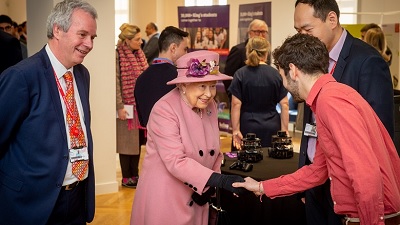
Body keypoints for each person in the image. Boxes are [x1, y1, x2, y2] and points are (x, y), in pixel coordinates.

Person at [233, 33, 400, 225]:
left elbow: (366, 176)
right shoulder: (329, 96)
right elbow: (318, 171)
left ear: (293, 71)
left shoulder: (330, 101)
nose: (284, 85)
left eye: (282, 77)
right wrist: (262, 187)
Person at [293, 0, 395, 224]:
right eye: (297, 31)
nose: (302, 37)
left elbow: (381, 135)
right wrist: (305, 181)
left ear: (332, 20)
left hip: (350, 191)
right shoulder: (311, 60)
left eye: (307, 30)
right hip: (315, 181)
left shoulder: (367, 62)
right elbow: (312, 122)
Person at [0, 0, 98, 224]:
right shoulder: (21, 77)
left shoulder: (82, 75)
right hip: (31, 205)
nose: (89, 44)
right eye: (82, 34)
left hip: (76, 199)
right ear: (57, 29)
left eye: (92, 37)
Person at [131, 50, 246, 225]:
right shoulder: (164, 109)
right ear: (183, 85)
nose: (209, 93)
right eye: (202, 86)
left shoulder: (211, 107)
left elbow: (214, 152)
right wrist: (218, 180)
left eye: (213, 85)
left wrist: (211, 189)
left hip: (199, 193)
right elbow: (175, 161)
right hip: (167, 198)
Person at [228, 36, 289, 148]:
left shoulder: (240, 74)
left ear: (248, 51)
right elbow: (284, 104)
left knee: (245, 161)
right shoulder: (276, 74)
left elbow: (236, 104)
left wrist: (236, 130)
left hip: (247, 127)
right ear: (266, 53)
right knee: (269, 163)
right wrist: (285, 130)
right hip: (272, 127)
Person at [135, 26, 189, 127]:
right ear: (173, 48)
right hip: (176, 139)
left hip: (151, 139)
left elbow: (142, 121)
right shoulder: (179, 78)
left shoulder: (140, 79)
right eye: (185, 49)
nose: (186, 54)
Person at [116, 23, 149, 188]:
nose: (141, 42)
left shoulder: (140, 55)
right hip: (126, 107)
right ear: (127, 40)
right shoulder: (117, 55)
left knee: (136, 143)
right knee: (125, 143)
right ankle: (126, 177)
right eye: (137, 39)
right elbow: (116, 82)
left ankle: (135, 175)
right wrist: (119, 105)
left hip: (138, 106)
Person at [223, 19, 270, 95]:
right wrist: (233, 96)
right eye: (257, 32)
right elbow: (228, 77)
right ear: (250, 33)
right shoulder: (238, 50)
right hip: (241, 100)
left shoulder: (267, 51)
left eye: (263, 32)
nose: (261, 35)